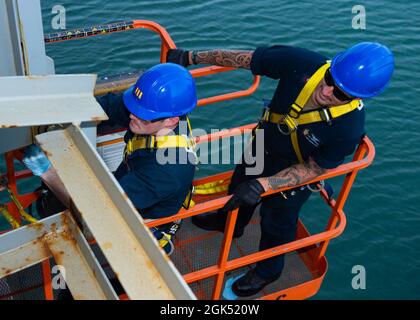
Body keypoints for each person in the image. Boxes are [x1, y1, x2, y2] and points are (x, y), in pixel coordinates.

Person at [167, 42, 394, 297]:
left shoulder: (348, 127)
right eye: (329, 78)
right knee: (239, 184)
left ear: (358, 98)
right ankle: (230, 222)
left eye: (340, 94)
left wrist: (263, 185)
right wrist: (191, 56)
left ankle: (268, 270)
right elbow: (245, 59)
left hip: (295, 169)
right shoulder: (302, 63)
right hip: (264, 144)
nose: (327, 90)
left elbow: (316, 167)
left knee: (278, 220)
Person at [24, 63, 198, 251]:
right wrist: (59, 116)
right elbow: (108, 106)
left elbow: (97, 210)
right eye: (134, 107)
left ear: (171, 120)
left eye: (142, 115)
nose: (132, 115)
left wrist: (47, 172)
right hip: (129, 181)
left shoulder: (168, 169)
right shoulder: (151, 114)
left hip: (140, 220)